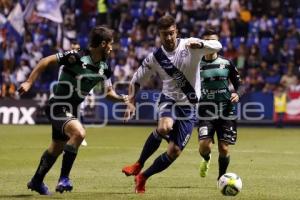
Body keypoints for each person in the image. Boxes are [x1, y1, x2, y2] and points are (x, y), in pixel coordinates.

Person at [18, 26, 129, 195]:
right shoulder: (75, 56)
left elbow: (108, 93)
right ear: (103, 44)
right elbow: (45, 61)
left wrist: (122, 98)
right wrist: (28, 82)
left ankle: (36, 181)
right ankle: (64, 179)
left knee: (56, 148)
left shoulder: (104, 68)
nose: (112, 48)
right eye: (110, 44)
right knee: (79, 133)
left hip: (72, 110)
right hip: (58, 105)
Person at [121, 15, 222, 193]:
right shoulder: (155, 57)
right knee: (165, 127)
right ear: (159, 35)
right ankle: (138, 163)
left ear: (177, 32)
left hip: (189, 106)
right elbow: (136, 81)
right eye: (164, 34)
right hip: (169, 99)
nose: (168, 38)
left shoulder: (191, 45)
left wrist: (200, 45)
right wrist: (131, 101)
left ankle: (143, 176)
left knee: (174, 151)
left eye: (171, 33)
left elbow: (218, 45)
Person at [197, 28, 242, 181]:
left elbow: (238, 83)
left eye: (213, 40)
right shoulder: (196, 64)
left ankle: (221, 177)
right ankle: (206, 159)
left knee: (223, 148)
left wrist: (237, 93)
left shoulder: (226, 63)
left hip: (226, 110)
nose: (210, 43)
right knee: (204, 146)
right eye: (207, 40)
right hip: (205, 111)